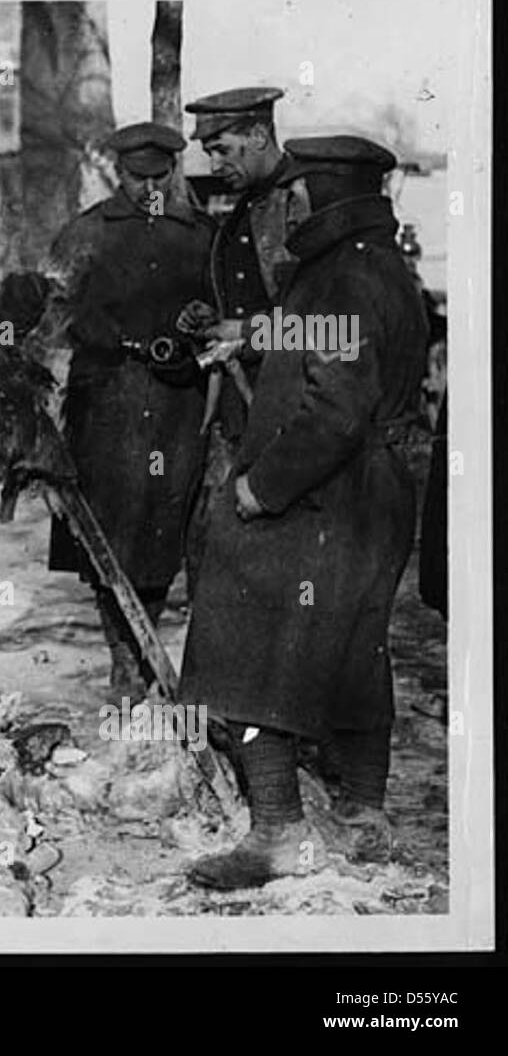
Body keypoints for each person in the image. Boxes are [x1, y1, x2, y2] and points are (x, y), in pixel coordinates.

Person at [178, 136, 430, 890]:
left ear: (319, 194)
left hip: (326, 491)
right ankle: (362, 815)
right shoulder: (370, 264)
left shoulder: (341, 276)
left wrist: (263, 489)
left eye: (295, 191)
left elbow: (336, 406)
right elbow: (327, 341)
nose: (284, 204)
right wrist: (246, 335)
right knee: (355, 646)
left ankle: (277, 831)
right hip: (371, 492)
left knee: (244, 630)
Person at [40, 122, 216, 698]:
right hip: (107, 403)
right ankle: (124, 661)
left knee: (161, 532)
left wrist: (200, 320)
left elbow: (225, 308)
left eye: (159, 176)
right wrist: (92, 330)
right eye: (136, 177)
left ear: (174, 170)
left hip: (174, 403)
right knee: (107, 536)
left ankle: (142, 651)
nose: (148, 188)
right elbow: (50, 314)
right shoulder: (86, 233)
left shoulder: (200, 235)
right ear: (119, 172)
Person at [176, 87, 304, 581]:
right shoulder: (250, 205)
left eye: (221, 148)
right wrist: (210, 318)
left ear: (258, 134)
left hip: (288, 415)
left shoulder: (299, 203)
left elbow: (336, 330)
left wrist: (246, 333)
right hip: (243, 409)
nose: (212, 164)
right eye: (206, 152)